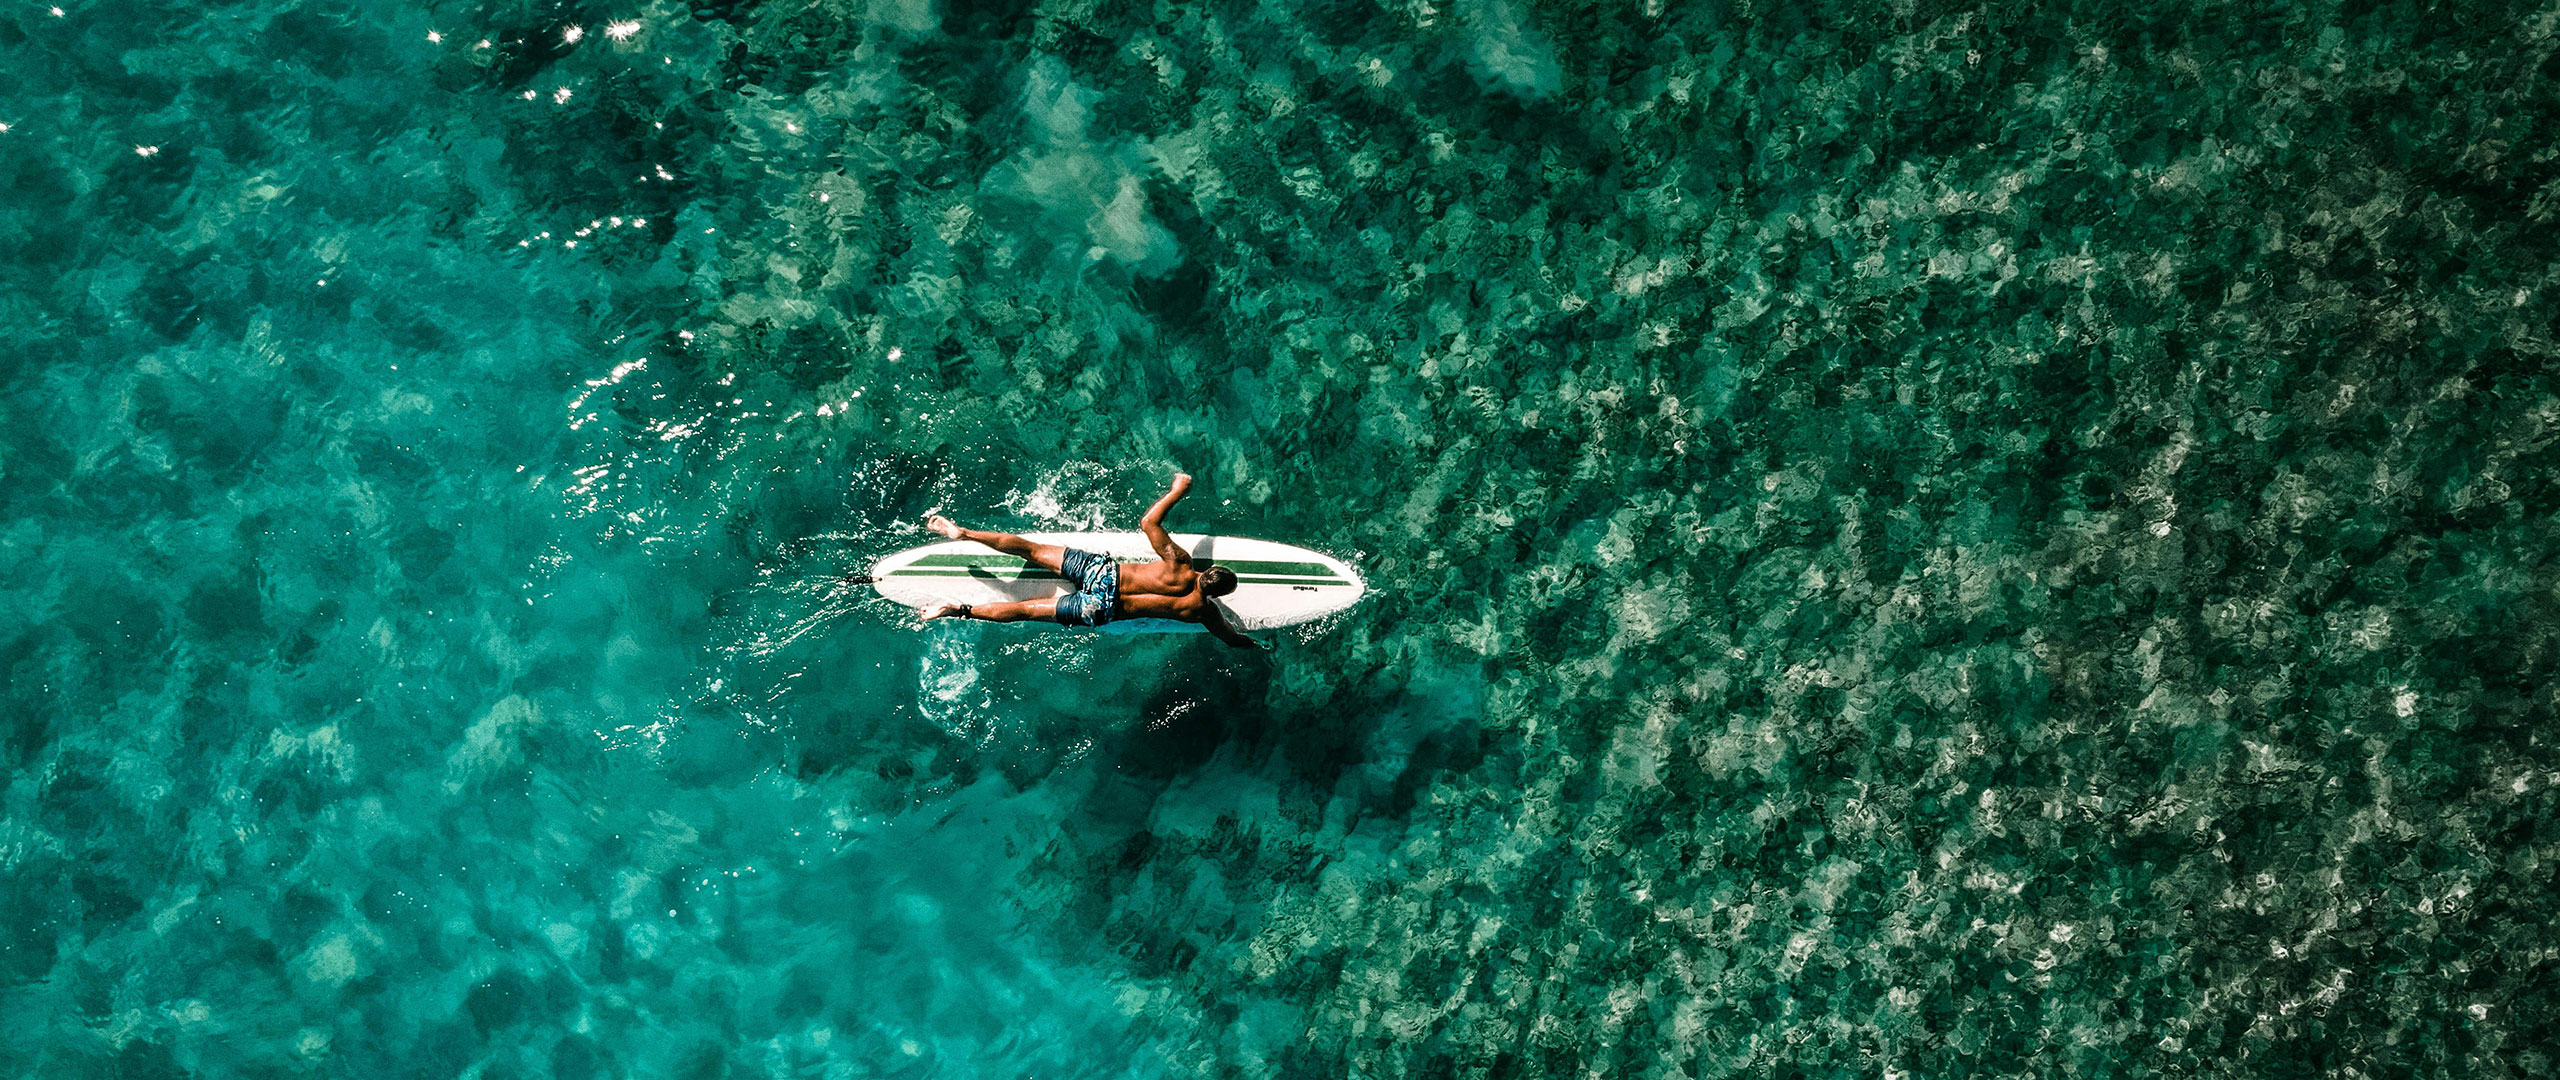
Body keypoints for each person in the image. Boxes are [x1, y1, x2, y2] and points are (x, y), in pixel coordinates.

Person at [917, 472, 1261, 648]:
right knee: (1024, 612)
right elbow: (1231, 640)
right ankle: (956, 609)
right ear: (1215, 595)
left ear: (1208, 570)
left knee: (1032, 550)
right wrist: (1256, 644)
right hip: (1100, 608)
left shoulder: (1180, 563)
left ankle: (964, 533)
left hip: (1103, 573)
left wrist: (1176, 490)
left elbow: (1148, 523)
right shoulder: (1203, 612)